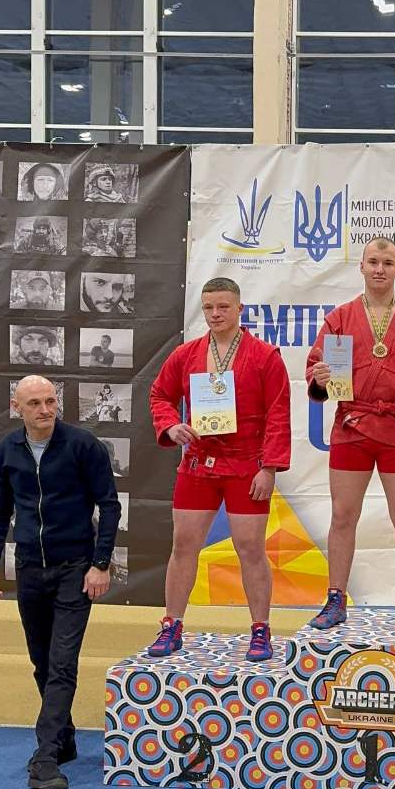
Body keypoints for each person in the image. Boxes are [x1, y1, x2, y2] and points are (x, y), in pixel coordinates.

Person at [0, 374, 120, 789]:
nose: (45, 410)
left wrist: (100, 564)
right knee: (42, 661)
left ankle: (44, 758)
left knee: (62, 663)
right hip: (29, 569)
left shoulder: (83, 445)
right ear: (16, 408)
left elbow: (109, 506)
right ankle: (64, 737)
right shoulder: (6, 450)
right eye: (35, 403)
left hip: (75, 568)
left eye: (51, 401)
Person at [305, 236, 395, 633]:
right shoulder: (339, 318)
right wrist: (319, 378)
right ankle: (336, 599)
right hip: (352, 426)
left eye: (387, 263)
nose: (380, 269)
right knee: (342, 515)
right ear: (362, 267)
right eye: (373, 262)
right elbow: (316, 367)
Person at [148, 275, 291, 663]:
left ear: (240, 308)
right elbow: (160, 394)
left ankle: (260, 630)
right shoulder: (186, 354)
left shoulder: (265, 356)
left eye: (223, 306)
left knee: (250, 548)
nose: (215, 314)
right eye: (209, 307)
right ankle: (171, 625)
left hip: (247, 465)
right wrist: (170, 425)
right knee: (183, 545)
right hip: (198, 462)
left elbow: (278, 413)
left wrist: (269, 468)